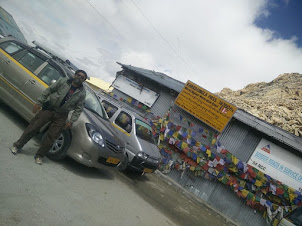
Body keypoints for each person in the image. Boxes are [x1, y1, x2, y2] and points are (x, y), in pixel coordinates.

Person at [11, 70, 87, 165]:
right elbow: (49, 90)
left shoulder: (82, 93)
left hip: (61, 115)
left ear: (83, 80)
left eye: (82, 77)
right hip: (49, 109)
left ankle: (39, 156)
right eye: (78, 75)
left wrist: (72, 121)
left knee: (52, 137)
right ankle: (17, 146)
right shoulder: (63, 81)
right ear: (75, 75)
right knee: (33, 127)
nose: (79, 78)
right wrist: (39, 102)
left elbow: (79, 109)